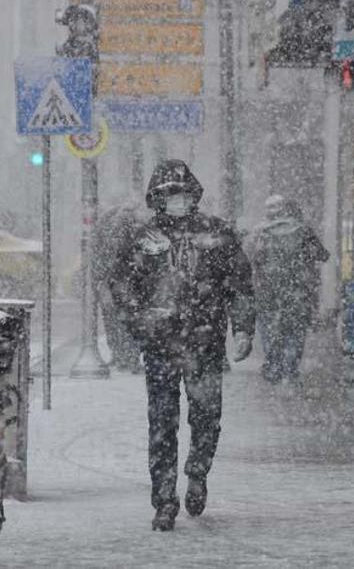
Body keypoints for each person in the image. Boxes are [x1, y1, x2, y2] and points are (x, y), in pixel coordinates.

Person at [110, 159, 255, 531]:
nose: (177, 200)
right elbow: (122, 286)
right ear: (157, 199)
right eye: (168, 194)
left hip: (205, 344)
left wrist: (243, 329)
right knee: (162, 421)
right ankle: (163, 498)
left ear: (194, 195)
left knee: (206, 416)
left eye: (183, 193)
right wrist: (139, 322)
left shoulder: (217, 234)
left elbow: (238, 285)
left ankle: (197, 473)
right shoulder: (141, 238)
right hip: (160, 346)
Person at [249, 195, 329, 384]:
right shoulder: (303, 230)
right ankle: (290, 369)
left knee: (268, 328)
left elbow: (251, 259)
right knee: (295, 330)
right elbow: (323, 255)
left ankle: (273, 365)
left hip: (266, 290)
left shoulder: (260, 232)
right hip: (297, 290)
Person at [94, 202, 144, 372]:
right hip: (121, 282)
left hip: (120, 282)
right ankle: (126, 356)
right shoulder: (127, 230)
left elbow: (104, 256)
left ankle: (124, 356)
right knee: (122, 320)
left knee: (118, 320)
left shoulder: (111, 229)